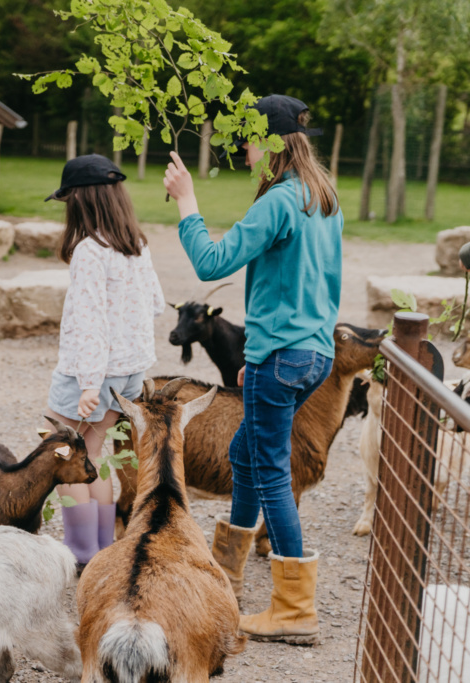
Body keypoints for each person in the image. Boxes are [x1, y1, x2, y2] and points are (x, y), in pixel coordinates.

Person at [163, 94, 343, 645]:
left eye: (247, 140)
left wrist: (187, 201)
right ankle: (227, 575)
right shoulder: (321, 197)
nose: (242, 149)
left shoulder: (279, 201)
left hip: (282, 357)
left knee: (269, 470)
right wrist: (259, 357)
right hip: (311, 355)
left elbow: (211, 263)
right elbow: (306, 285)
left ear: (269, 143)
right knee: (245, 453)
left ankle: (295, 610)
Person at [43, 154, 165, 571]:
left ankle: (81, 553)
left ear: (80, 200)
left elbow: (90, 321)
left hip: (93, 372)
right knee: (92, 453)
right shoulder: (137, 244)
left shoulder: (90, 251)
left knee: (63, 454)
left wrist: (90, 383)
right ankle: (100, 553)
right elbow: (155, 303)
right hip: (128, 370)